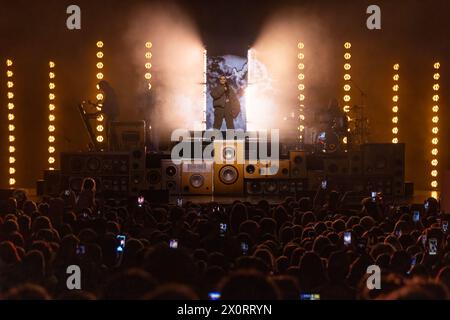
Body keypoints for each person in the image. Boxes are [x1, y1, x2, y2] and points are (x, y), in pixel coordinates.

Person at [97, 81, 119, 149]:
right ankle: (114, 147)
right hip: (112, 115)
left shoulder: (110, 93)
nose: (101, 89)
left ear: (104, 86)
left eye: (101, 87)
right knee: (111, 132)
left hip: (112, 115)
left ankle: (113, 148)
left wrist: (102, 108)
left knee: (110, 132)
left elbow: (109, 104)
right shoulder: (110, 92)